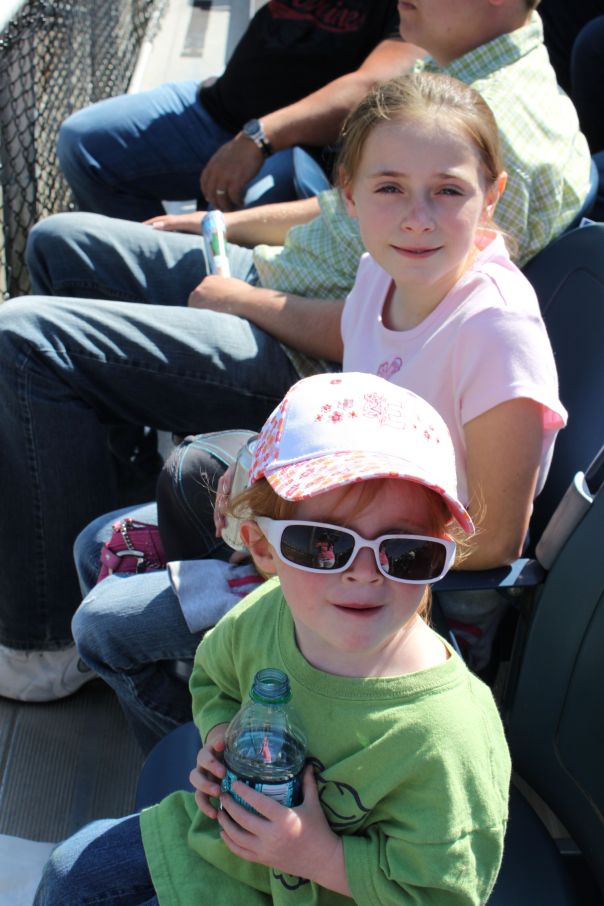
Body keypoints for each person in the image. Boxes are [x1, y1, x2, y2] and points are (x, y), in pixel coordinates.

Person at [0, 0, 587, 703]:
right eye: (390, 189)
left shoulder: (498, 333)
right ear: (352, 196)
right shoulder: (387, 269)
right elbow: (359, 339)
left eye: (448, 193)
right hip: (338, 531)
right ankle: (226, 676)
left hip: (400, 601)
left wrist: (314, 554)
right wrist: (270, 492)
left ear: (491, 198)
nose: (417, 217)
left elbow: (491, 542)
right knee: (108, 540)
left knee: (106, 619)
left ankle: (223, 742)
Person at [33, 372, 512, 906]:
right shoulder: (268, 612)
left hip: (326, 890)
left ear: (440, 555)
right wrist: (219, 732)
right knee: (68, 872)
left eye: (405, 553)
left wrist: (321, 855)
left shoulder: (450, 735)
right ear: (263, 549)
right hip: (221, 839)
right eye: (322, 544)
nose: (364, 573)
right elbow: (215, 677)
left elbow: (444, 893)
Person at [56, 0, 407, 216]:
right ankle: (144, 273)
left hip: (296, 148)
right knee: (85, 141)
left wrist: (258, 138)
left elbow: (373, 87)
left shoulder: (424, 9)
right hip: (216, 107)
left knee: (242, 215)